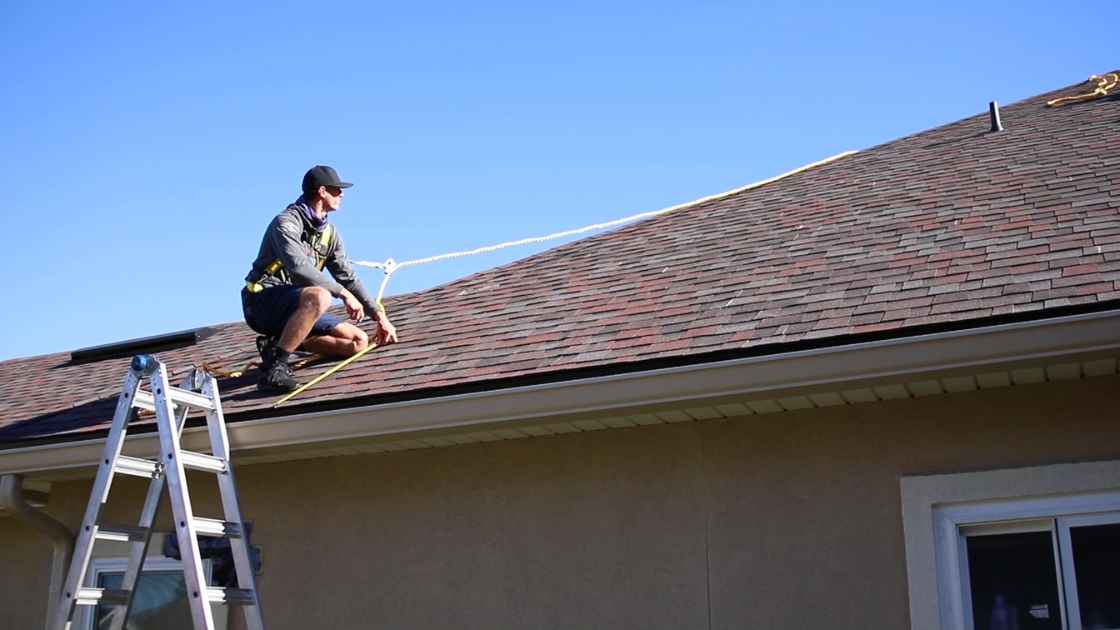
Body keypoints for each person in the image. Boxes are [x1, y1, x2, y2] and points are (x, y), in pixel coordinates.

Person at [242, 165, 398, 392]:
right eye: (337, 190)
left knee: (358, 342)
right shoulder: (285, 224)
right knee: (320, 296)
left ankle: (278, 344)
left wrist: (379, 316)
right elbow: (298, 268)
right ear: (322, 191)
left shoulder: (329, 234)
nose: (341, 194)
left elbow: (347, 276)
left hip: (296, 307)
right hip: (261, 303)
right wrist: (342, 294)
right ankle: (275, 369)